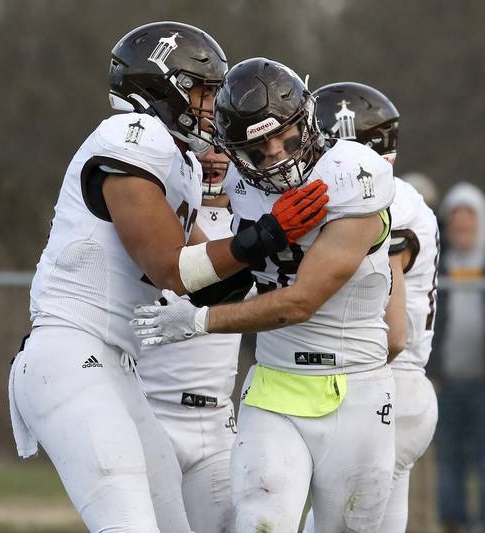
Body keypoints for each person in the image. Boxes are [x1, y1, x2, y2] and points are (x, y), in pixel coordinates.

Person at [8, 26, 328, 533]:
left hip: (118, 364)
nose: (211, 106)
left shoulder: (179, 164)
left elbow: (208, 276)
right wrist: (267, 234)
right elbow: (170, 269)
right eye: (203, 91)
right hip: (70, 352)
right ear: (161, 88)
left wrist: (286, 256)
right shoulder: (131, 137)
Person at [132, 58, 397, 532]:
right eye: (257, 148)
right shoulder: (234, 182)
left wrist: (199, 321)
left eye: (287, 137)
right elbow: (196, 233)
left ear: (309, 121)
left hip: (355, 388)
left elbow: (301, 302)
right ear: (234, 154)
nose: (277, 154)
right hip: (275, 384)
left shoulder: (352, 173)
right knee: (259, 522)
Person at [303, 82, 440, 533]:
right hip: (398, 390)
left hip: (388, 386)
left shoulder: (387, 201)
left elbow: (394, 333)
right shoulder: (391, 194)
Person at [136, 146, 247, 533]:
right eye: (204, 145)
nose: (214, 157)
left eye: (224, 146)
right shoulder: (152, 212)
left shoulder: (251, 223)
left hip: (216, 420)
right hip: (149, 412)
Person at [428, 182, 485, 533]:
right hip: (447, 382)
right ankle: (452, 521)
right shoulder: (434, 265)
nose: (463, 231)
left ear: (481, 224)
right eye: (456, 225)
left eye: (468, 224)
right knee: (448, 459)